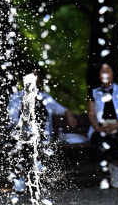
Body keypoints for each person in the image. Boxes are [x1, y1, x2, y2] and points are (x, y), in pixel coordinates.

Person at [7, 64, 77, 193]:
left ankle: (24, 175)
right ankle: (31, 166)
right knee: (24, 142)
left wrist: (68, 113)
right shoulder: (16, 98)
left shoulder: (44, 97)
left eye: (36, 75)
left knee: (32, 141)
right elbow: (14, 119)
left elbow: (59, 108)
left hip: (41, 136)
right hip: (21, 135)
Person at [88, 62, 118, 189]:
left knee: (117, 138)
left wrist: (115, 126)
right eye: (102, 71)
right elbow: (91, 114)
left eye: (108, 70)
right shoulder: (94, 92)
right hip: (101, 127)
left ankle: (115, 168)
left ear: (113, 73)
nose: (105, 74)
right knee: (99, 141)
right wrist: (98, 128)